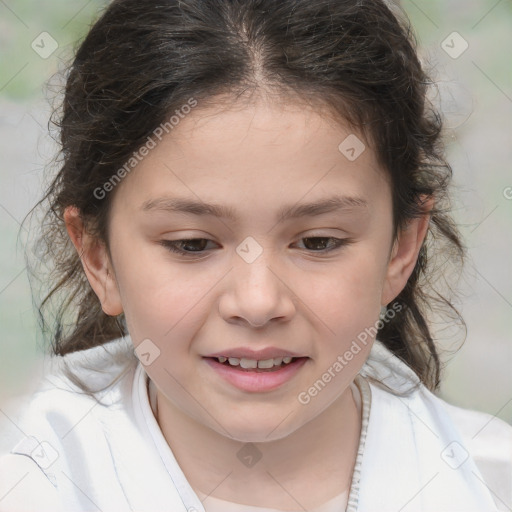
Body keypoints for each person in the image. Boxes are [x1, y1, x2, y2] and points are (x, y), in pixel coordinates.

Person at [0, 0, 510, 511]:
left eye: (318, 242)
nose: (258, 301)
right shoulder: (25, 478)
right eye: (192, 244)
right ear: (98, 257)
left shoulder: (488, 484)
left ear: (401, 248)